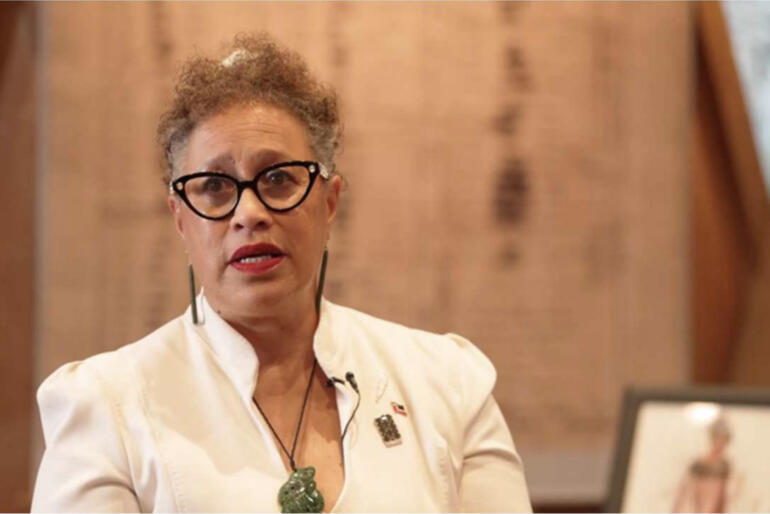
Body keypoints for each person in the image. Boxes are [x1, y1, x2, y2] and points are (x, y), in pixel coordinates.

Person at [31, 33, 531, 513]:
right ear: (179, 217)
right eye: (214, 186)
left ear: (329, 200)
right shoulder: (105, 405)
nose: (249, 212)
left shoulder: (447, 382)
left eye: (277, 178)